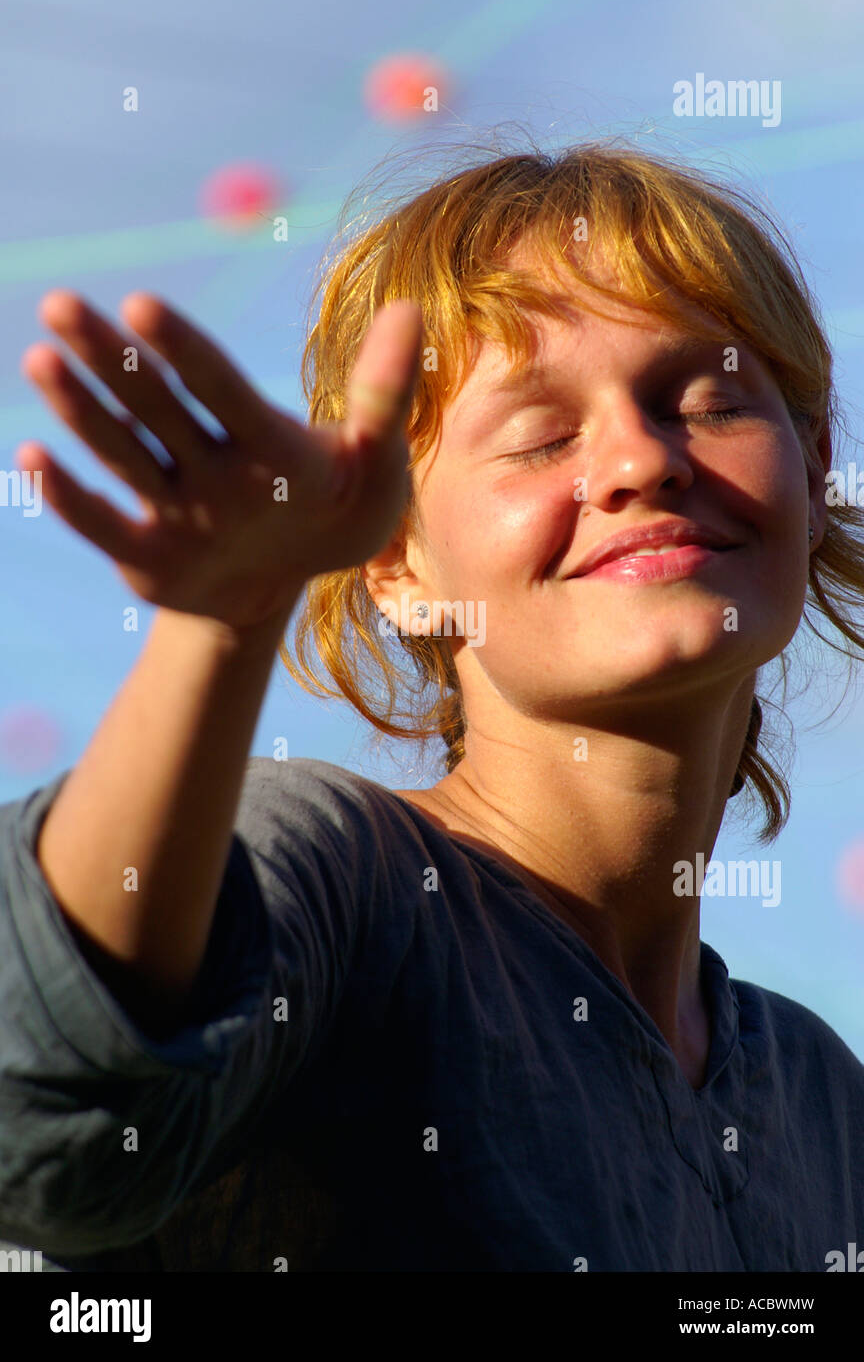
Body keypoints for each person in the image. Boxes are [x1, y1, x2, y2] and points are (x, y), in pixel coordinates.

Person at [1, 140, 862, 1273]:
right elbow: (43, 1113)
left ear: (813, 462)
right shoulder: (349, 885)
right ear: (398, 563)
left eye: (704, 400)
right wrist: (228, 619)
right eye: (542, 434)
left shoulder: (825, 1106)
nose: (639, 460)